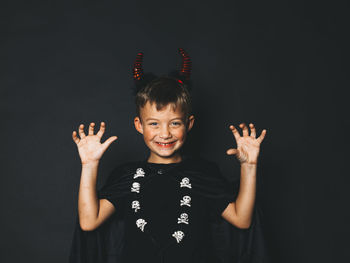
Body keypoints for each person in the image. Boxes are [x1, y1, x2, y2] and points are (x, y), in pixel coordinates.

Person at [69, 49, 268, 263]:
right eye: (154, 123)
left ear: (189, 124)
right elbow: (89, 221)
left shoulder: (202, 173)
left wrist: (249, 166)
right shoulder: (126, 176)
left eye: (175, 123)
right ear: (139, 125)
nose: (165, 133)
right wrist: (89, 165)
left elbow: (242, 219)